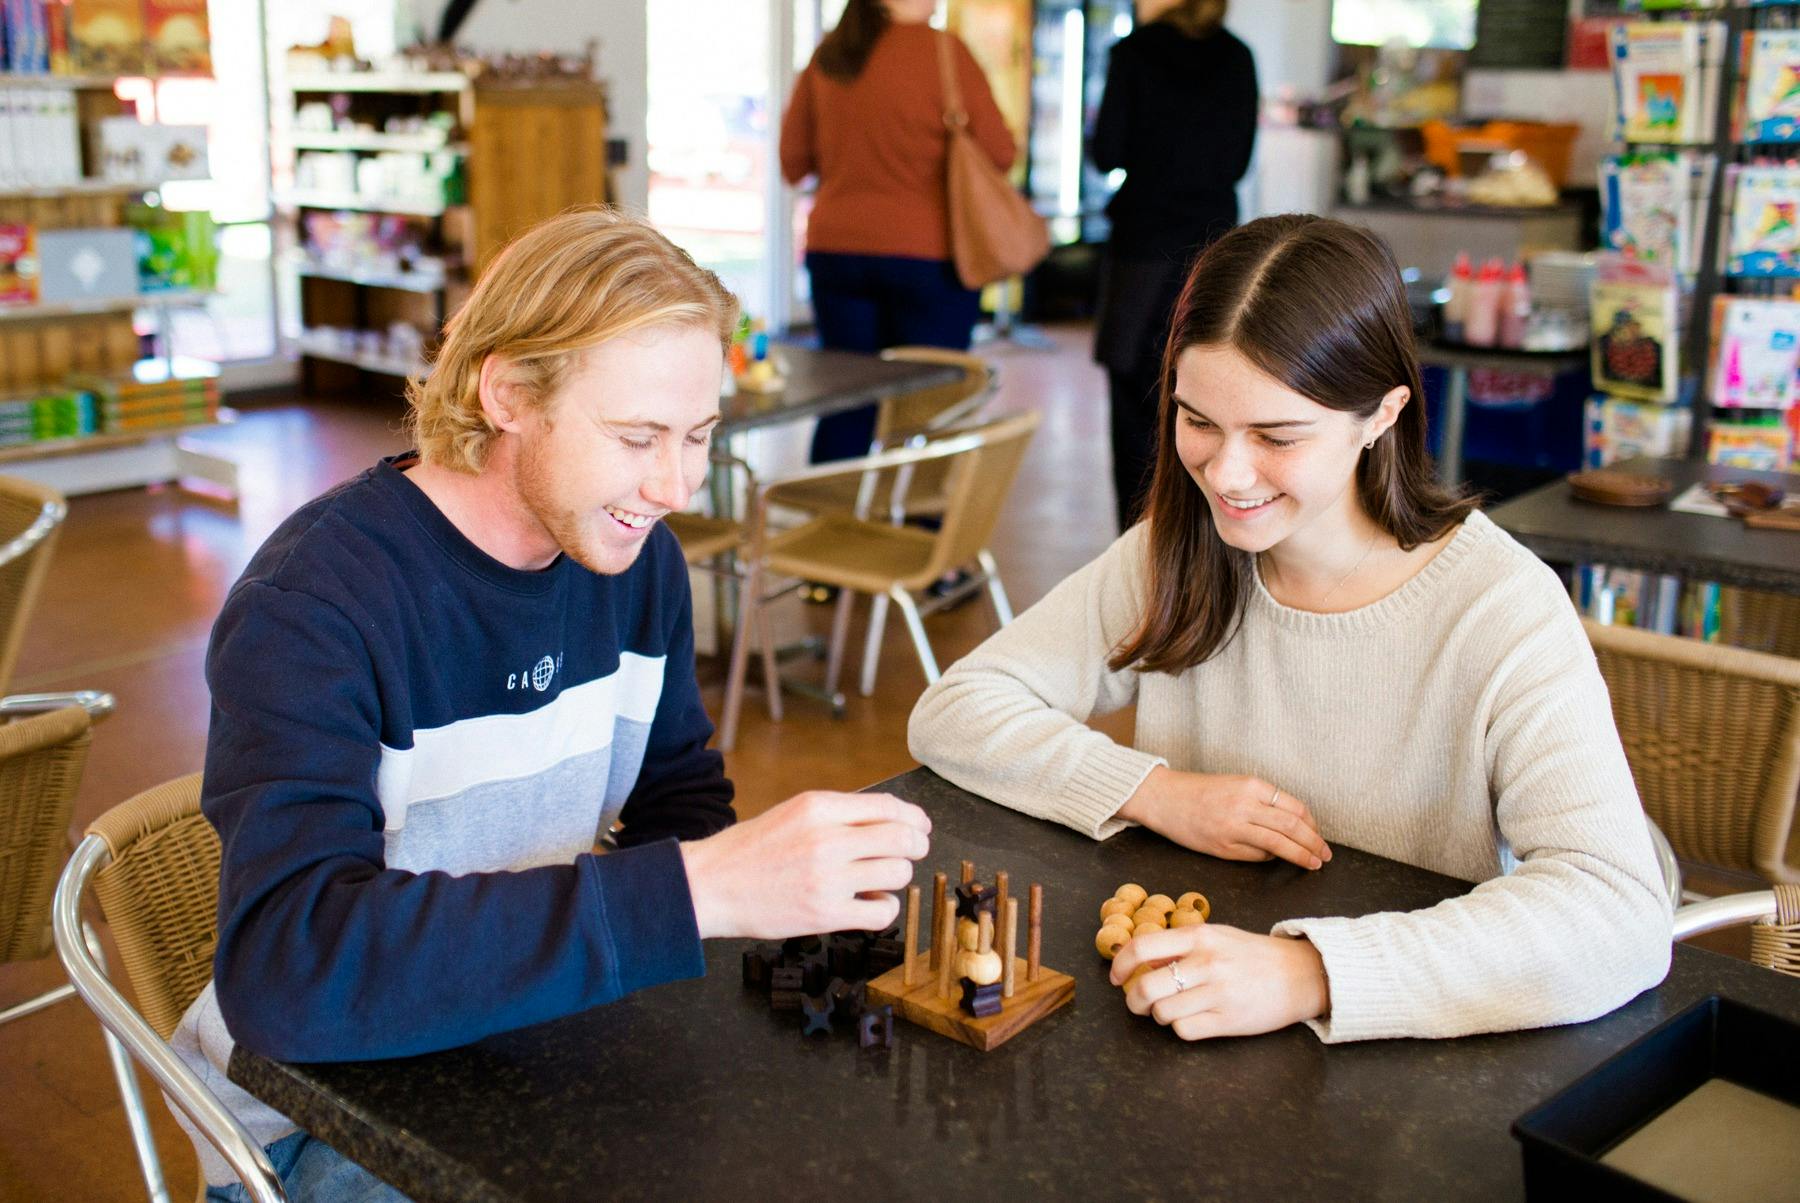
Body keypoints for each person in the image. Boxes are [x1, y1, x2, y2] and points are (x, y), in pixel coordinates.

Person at [175, 208, 932, 1202]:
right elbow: (290, 970)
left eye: (700, 436)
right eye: (637, 437)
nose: (675, 485)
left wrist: (758, 889)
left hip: (528, 1031)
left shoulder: (635, 560)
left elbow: (678, 800)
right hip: (316, 1114)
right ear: (508, 394)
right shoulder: (317, 606)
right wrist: (699, 892)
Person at [908, 214, 1671, 1045]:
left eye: (1276, 436)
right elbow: (956, 708)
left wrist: (1312, 973)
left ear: (1382, 414)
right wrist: (1154, 792)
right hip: (1193, 1024)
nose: (1227, 474)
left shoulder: (1500, 607)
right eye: (1198, 421)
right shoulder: (1175, 547)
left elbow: (1615, 908)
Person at [779, 0, 1015, 463]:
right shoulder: (946, 54)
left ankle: (834, 525)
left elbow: (793, 163)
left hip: (837, 250)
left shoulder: (831, 56)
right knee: (930, 405)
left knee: (845, 400)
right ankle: (921, 532)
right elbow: (1001, 152)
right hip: (929, 255)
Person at [1090, 0, 1258, 531]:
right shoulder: (1237, 58)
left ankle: (1137, 545)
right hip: (1214, 251)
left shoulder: (1133, 53)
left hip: (1142, 247)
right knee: (1208, 397)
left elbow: (1106, 151)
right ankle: (1198, 539)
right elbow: (1237, 161)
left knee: (1133, 401)